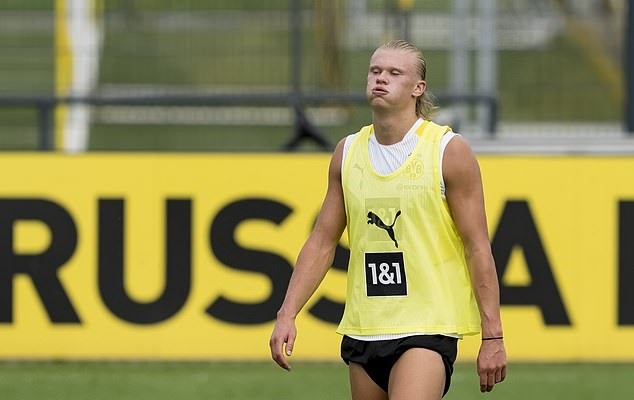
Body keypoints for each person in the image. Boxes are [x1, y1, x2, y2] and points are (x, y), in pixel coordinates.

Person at [269, 39, 506, 399]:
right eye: (375, 71)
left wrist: (493, 336)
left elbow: (477, 246)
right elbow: (322, 241)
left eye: (395, 73)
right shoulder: (347, 152)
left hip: (425, 328)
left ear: (418, 88)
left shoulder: (447, 151)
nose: (381, 79)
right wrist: (287, 313)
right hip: (366, 329)